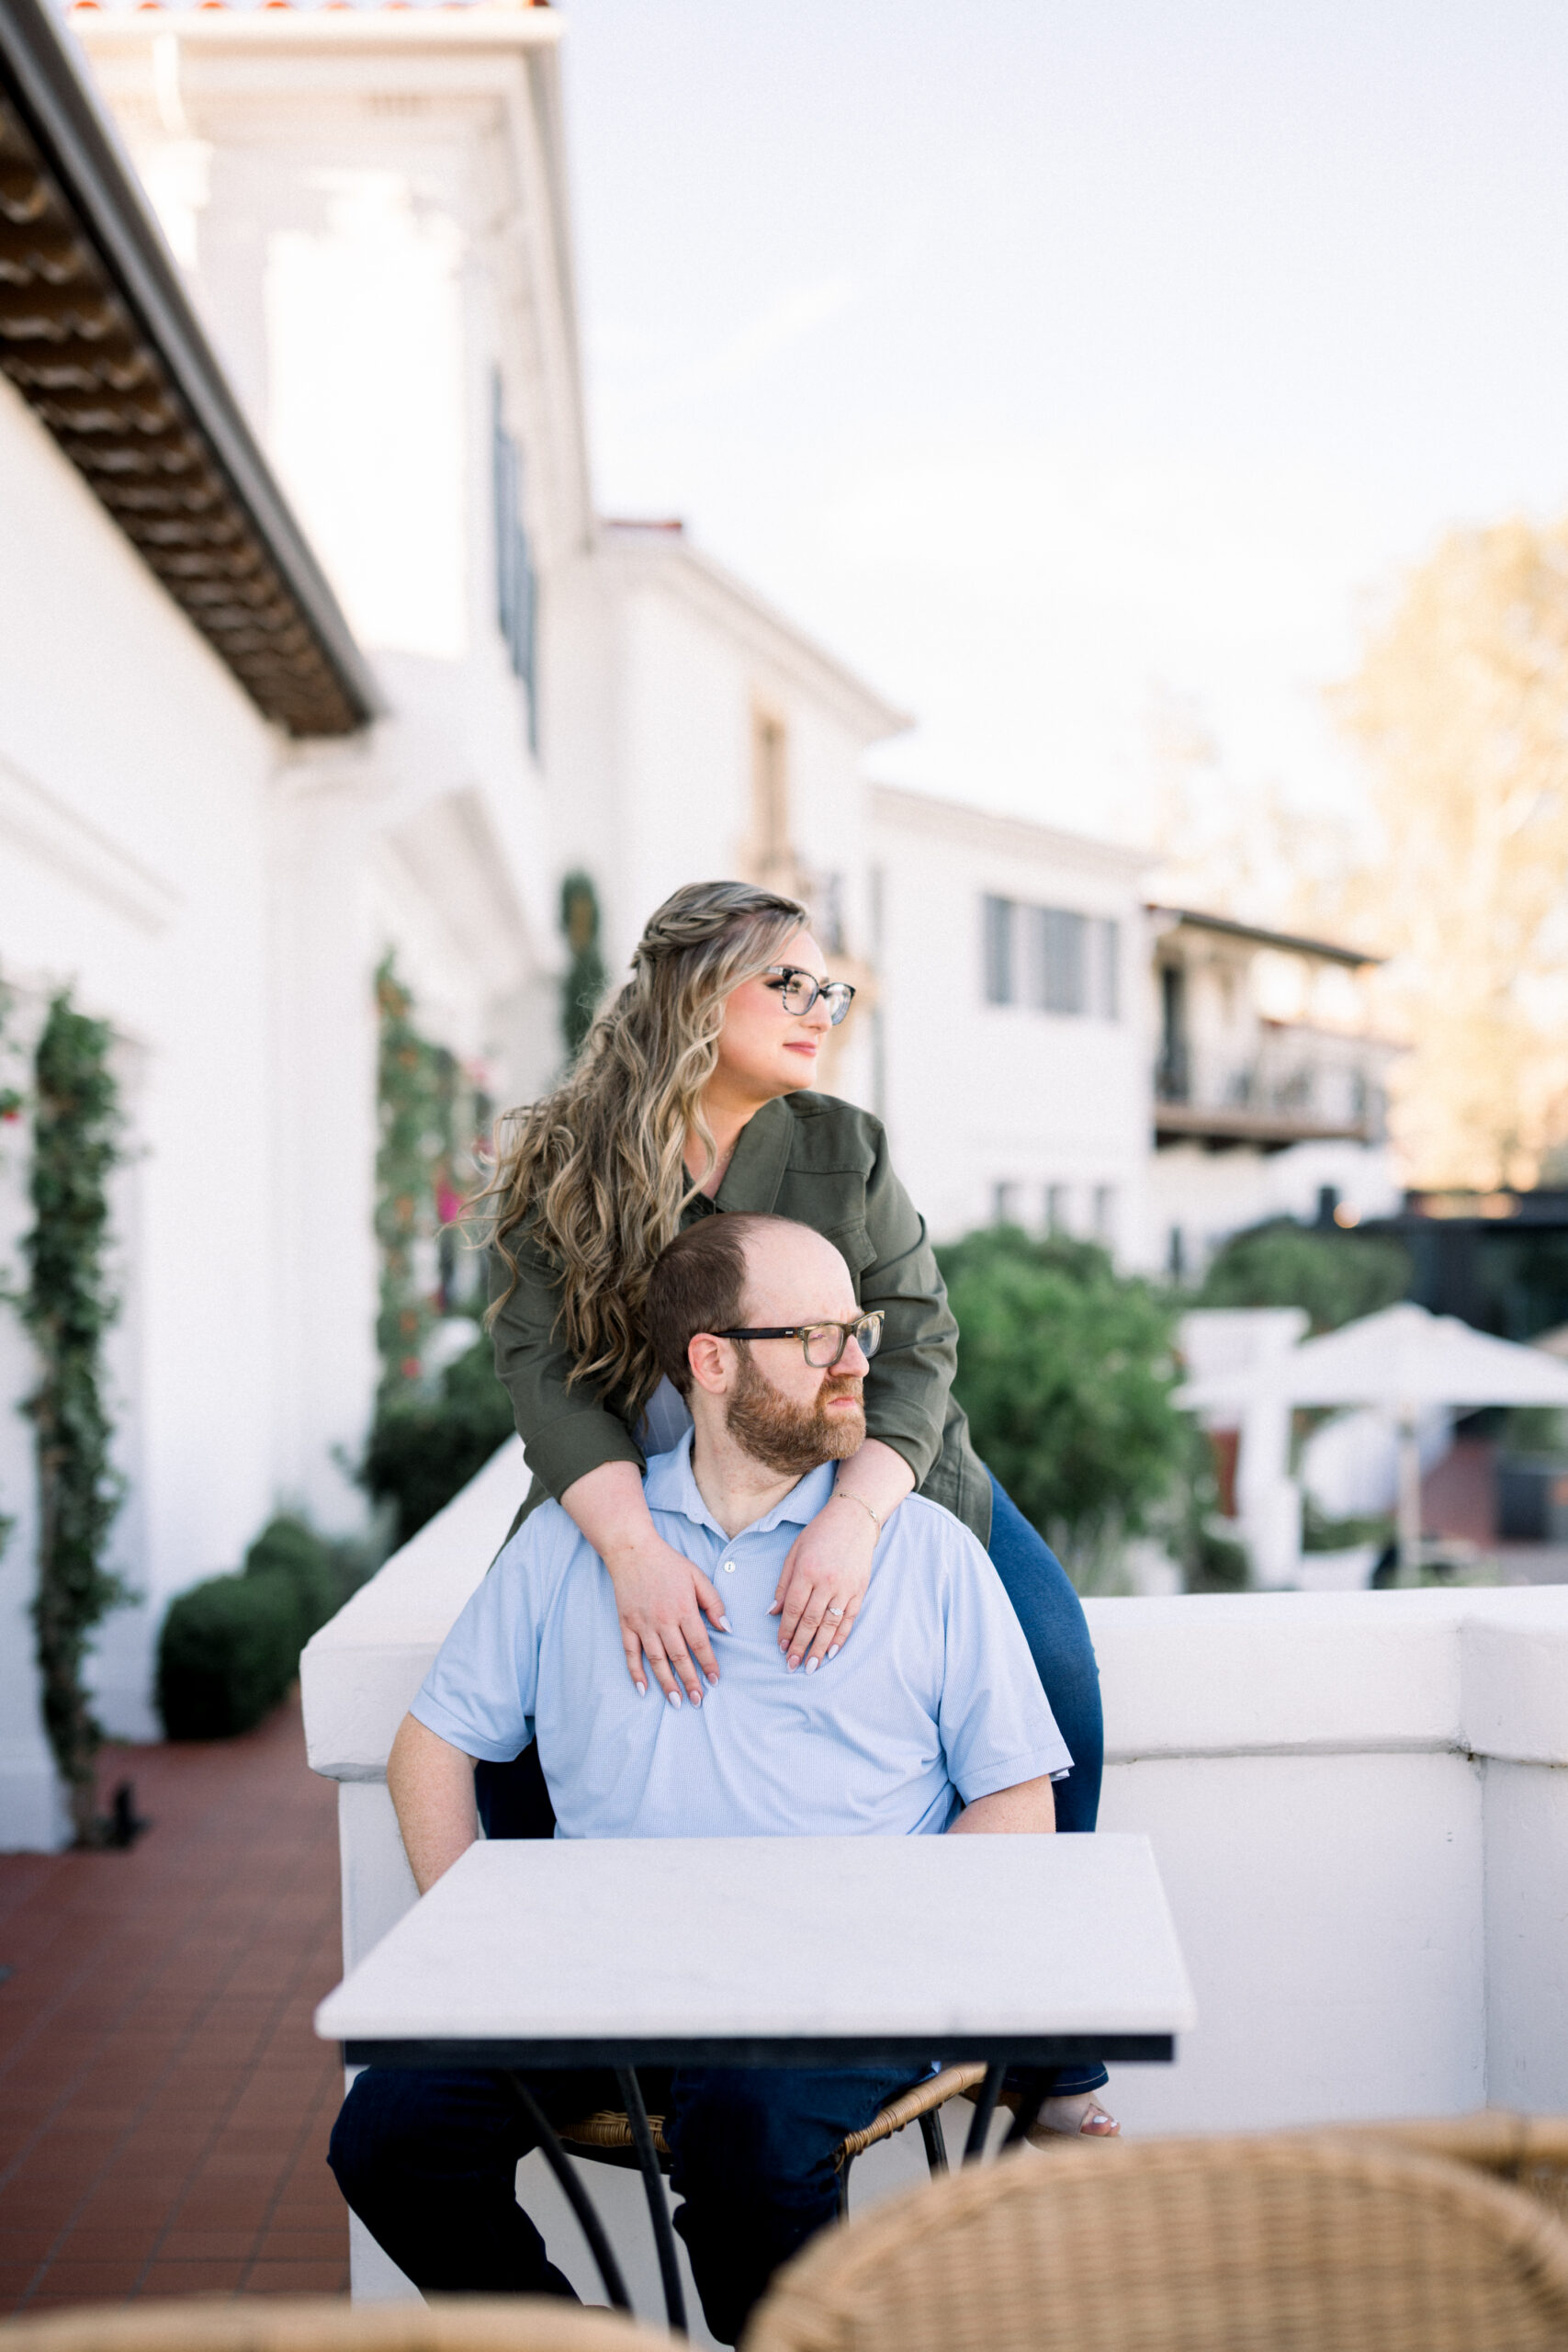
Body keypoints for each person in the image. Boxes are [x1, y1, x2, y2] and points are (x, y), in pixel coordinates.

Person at [331, 1214, 1071, 2345]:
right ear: (712, 1359)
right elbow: (429, 1748)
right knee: (387, 2134)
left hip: (837, 1981)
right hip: (606, 1973)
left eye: (858, 1329)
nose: (859, 1361)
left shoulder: (921, 1553)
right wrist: (477, 1950)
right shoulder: (578, 1546)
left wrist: (892, 1947)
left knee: (746, 2120)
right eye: (819, 1336)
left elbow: (1019, 1798)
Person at [478, 877, 1114, 2133]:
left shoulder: (840, 1145)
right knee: (510, 1741)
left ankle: (1041, 2050)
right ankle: (567, 2020)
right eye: (790, 982)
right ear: (693, 993)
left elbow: (919, 1346)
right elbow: (540, 1370)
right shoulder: (563, 1156)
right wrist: (626, 1549)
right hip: (633, 1482)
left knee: (1057, 1677)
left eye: (832, 987)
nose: (821, 1008)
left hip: (880, 1471)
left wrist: (853, 1518)